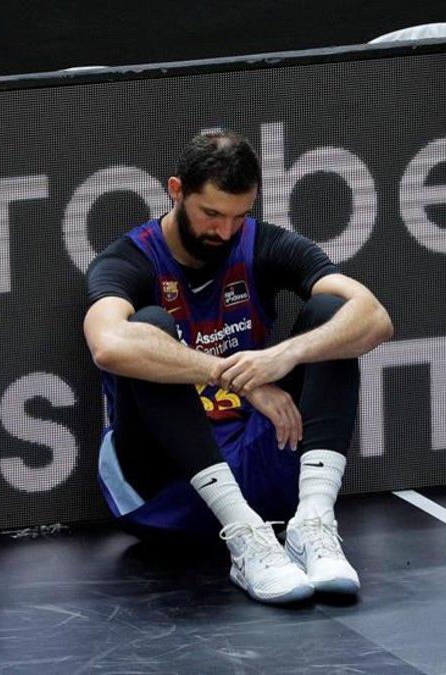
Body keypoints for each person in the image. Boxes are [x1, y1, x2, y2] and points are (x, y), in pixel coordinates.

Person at [84, 131, 393, 604]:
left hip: (257, 461)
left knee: (332, 314)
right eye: (211, 214)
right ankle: (242, 534)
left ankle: (311, 524)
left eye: (239, 216)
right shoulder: (130, 259)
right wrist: (234, 378)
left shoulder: (260, 244)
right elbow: (107, 344)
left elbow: (374, 317)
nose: (225, 233)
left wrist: (283, 356)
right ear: (176, 191)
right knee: (147, 329)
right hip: (165, 488)